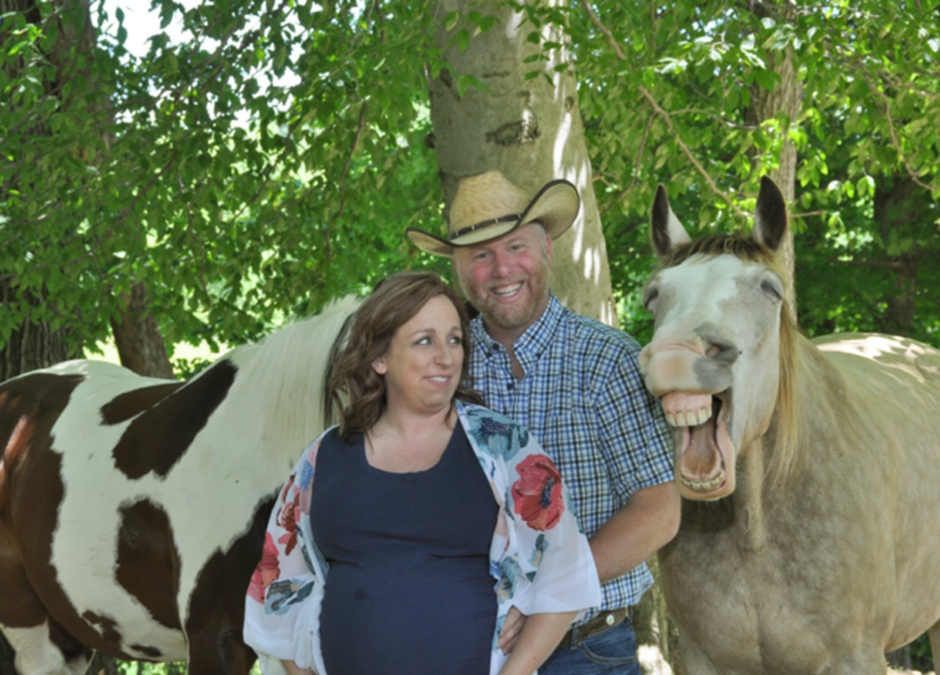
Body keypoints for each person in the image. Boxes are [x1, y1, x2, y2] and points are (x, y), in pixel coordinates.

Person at [243, 271, 602, 675]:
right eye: (424, 340)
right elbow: (276, 591)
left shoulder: (504, 448)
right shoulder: (323, 457)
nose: (446, 357)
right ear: (379, 357)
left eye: (454, 339)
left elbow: (566, 571)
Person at [406, 171, 680, 675]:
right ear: (459, 268)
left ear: (547, 246)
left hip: (589, 650)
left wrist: (543, 595)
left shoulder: (607, 361)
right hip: (462, 648)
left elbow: (658, 512)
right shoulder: (442, 367)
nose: (502, 268)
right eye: (480, 254)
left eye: (515, 246)